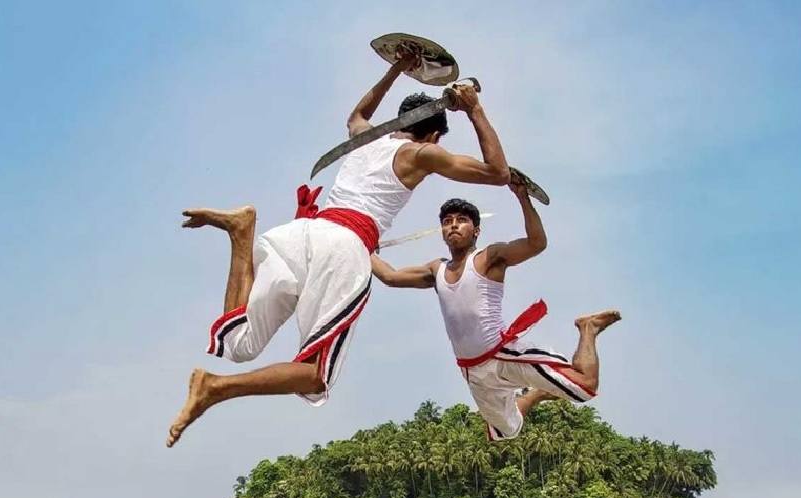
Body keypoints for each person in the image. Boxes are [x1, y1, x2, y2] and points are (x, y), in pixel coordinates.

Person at [168, 50, 513, 446]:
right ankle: (214, 388)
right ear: (434, 134)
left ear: (399, 122)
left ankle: (240, 231)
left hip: (303, 234)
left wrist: (397, 68)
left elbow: (356, 116)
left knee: (238, 344)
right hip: (344, 249)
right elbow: (498, 173)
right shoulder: (422, 152)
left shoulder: (369, 137)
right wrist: (474, 109)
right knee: (316, 375)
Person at [370, 186, 619, 440]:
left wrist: (522, 198)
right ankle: (536, 393)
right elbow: (390, 276)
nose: (453, 226)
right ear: (443, 232)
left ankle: (588, 328)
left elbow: (536, 244)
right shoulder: (437, 270)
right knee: (507, 431)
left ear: (476, 230)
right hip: (473, 371)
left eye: (462, 221)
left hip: (504, 355)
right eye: (447, 222)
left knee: (585, 387)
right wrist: (364, 245)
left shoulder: (489, 257)